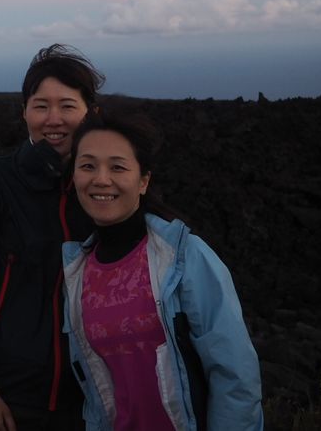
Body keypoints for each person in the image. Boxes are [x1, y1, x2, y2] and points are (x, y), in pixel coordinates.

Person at [62, 113, 263, 431]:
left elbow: (235, 375)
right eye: (87, 166)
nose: (101, 179)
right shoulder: (77, 273)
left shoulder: (184, 257)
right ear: (74, 177)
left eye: (118, 167)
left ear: (143, 181)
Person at [0, 44, 104, 430]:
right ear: (24, 112)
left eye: (67, 106)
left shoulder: (101, 191)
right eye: (41, 106)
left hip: (84, 400)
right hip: (6, 393)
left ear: (90, 113)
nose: (54, 119)